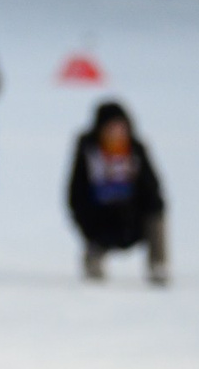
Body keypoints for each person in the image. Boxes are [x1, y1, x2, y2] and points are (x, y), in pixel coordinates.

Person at [68, 100, 167, 284]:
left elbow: (153, 189)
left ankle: (158, 265)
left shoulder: (136, 151)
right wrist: (86, 223)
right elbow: (75, 193)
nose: (116, 133)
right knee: (91, 221)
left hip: (132, 217)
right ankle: (93, 259)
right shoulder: (89, 152)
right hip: (100, 219)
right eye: (110, 127)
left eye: (120, 127)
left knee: (156, 211)